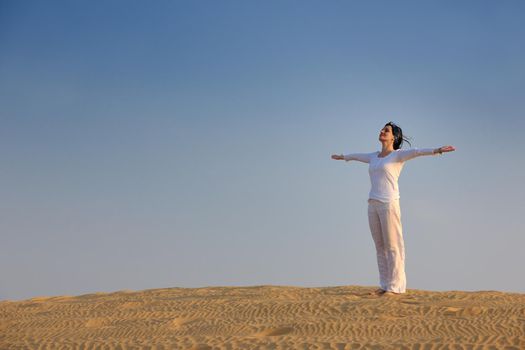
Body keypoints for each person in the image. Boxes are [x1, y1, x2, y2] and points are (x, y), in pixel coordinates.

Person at [331, 122, 455, 296]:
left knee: (393, 246)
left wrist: (437, 150)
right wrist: (343, 156)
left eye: (386, 130)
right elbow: (358, 156)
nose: (382, 131)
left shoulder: (397, 156)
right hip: (372, 204)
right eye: (382, 129)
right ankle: (384, 285)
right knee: (380, 247)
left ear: (394, 137)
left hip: (389, 204)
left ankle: (396, 287)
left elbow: (417, 152)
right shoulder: (374, 156)